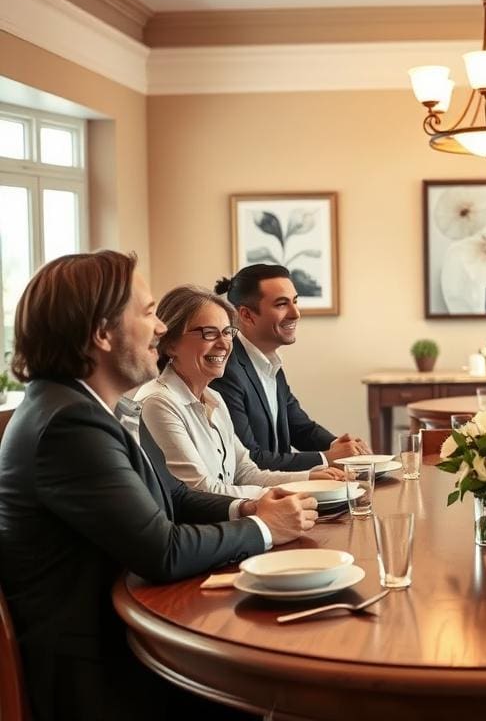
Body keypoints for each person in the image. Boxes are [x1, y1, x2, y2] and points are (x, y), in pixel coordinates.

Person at [0, 252, 319, 721]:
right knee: (285, 691)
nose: (159, 329)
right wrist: (267, 530)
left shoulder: (83, 407)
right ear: (102, 334)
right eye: (148, 313)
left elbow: (173, 494)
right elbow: (162, 550)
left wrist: (248, 513)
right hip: (102, 672)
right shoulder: (69, 425)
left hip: (128, 633)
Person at [135, 286, 345, 498]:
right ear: (170, 344)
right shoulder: (158, 402)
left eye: (227, 333)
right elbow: (202, 490)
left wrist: (309, 478)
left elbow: (246, 472)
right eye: (209, 333)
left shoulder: (213, 398)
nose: (223, 344)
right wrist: (291, 491)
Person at [211, 264, 371, 471]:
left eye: (295, 302)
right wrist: (327, 458)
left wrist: (340, 446)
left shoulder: (270, 363)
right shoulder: (227, 370)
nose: (295, 313)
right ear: (247, 315)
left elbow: (300, 428)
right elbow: (251, 460)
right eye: (281, 304)